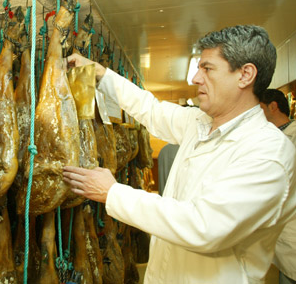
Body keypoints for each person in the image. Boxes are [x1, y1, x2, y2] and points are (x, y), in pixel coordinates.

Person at [63, 25, 296, 283]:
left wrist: (113, 193)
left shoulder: (267, 151)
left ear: (245, 75)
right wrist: (101, 74)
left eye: (207, 68)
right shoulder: (200, 122)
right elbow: (150, 109)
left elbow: (204, 227)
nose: (196, 78)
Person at [260, 88, 296, 284]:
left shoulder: (292, 136)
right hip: (279, 236)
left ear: (273, 107)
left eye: (260, 108)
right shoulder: (267, 138)